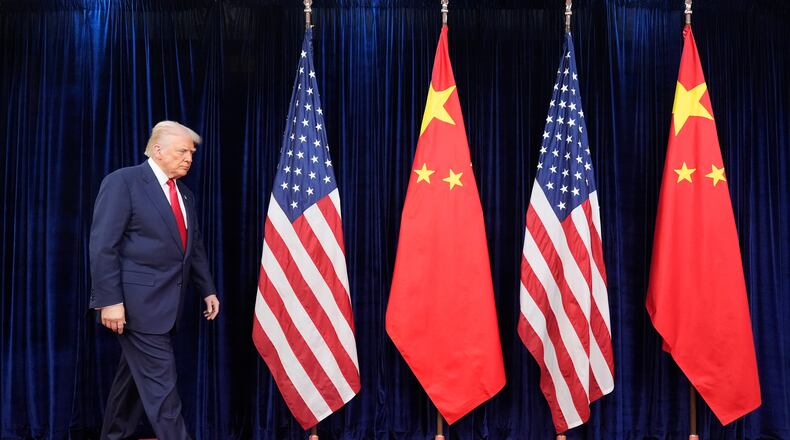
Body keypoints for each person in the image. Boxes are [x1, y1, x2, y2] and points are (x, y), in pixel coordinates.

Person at [89, 121, 220, 440]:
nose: (189, 158)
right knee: (163, 387)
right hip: (135, 305)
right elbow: (103, 244)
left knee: (131, 384)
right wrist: (110, 301)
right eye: (183, 151)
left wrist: (208, 290)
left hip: (167, 305)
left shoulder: (185, 195)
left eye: (191, 153)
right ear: (158, 150)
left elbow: (194, 247)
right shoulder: (124, 182)